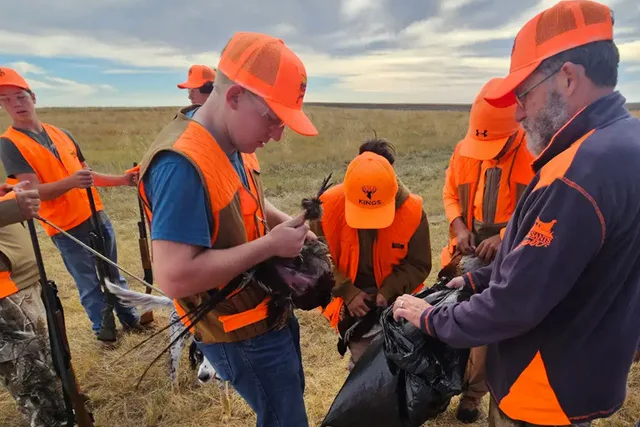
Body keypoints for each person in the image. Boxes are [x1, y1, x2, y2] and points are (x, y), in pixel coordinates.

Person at [392, 1, 640, 426]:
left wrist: (430, 317)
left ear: (567, 78)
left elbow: (514, 305)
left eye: (524, 93)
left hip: (542, 388)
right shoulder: (624, 142)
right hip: (586, 370)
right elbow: (552, 263)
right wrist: (472, 278)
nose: (519, 111)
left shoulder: (575, 175)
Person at [135, 31, 318, 427]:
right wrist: (270, 246)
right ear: (235, 97)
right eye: (273, 118)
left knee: (287, 404)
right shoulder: (180, 166)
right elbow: (175, 277)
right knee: (286, 418)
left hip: (267, 310)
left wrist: (284, 223)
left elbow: (244, 197)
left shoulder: (232, 141)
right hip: (241, 334)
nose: (277, 134)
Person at [0, 67, 142, 345]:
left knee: (113, 272)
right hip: (65, 226)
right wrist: (71, 182)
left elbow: (87, 176)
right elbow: (32, 193)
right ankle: (105, 335)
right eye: (6, 99)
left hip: (95, 214)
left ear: (33, 97)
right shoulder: (9, 143)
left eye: (20, 96)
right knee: (90, 283)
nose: (15, 104)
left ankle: (132, 320)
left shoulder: (61, 134)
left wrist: (124, 180)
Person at [441, 76, 535, 422]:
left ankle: (488, 398)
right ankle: (462, 392)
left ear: (515, 131)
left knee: (498, 334)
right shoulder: (464, 149)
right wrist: (459, 225)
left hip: (517, 254)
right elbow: (450, 193)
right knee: (466, 326)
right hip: (469, 253)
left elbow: (547, 210)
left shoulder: (537, 152)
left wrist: (506, 235)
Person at [312, 138, 432, 371]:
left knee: (403, 361)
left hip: (398, 296)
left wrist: (388, 291)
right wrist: (347, 292)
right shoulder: (327, 206)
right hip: (347, 299)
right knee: (364, 364)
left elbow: (419, 264)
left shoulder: (413, 211)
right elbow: (316, 260)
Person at [0, 180, 69, 426]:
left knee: (51, 369)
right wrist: (9, 209)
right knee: (36, 386)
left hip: (22, 282)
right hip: (4, 295)